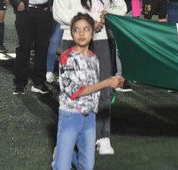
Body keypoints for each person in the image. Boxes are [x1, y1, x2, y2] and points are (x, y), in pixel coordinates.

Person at [53, 0, 127, 155]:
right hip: (73, 41)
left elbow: (121, 7)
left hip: (102, 40)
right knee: (73, 91)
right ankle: (70, 137)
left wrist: (105, 17)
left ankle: (102, 137)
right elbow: (59, 11)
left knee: (104, 89)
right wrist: (88, 20)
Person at [52, 13, 124, 170]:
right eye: (76, 30)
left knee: (87, 166)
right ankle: (61, 153)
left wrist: (112, 82)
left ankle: (64, 151)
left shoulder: (94, 58)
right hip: (70, 116)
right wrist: (107, 82)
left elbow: (93, 89)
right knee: (62, 167)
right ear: (71, 33)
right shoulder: (67, 58)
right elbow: (74, 91)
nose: (81, 33)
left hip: (90, 117)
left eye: (86, 29)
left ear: (93, 33)